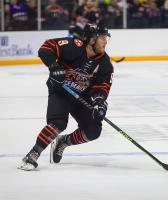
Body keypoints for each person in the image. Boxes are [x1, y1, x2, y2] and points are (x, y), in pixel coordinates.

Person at [18, 23, 114, 171]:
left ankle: (64, 142)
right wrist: (54, 67)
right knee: (58, 123)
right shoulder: (73, 46)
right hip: (60, 91)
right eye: (102, 38)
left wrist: (99, 101)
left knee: (93, 130)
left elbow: (102, 86)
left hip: (81, 97)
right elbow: (46, 47)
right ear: (92, 39)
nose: (105, 41)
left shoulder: (105, 63)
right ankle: (32, 155)